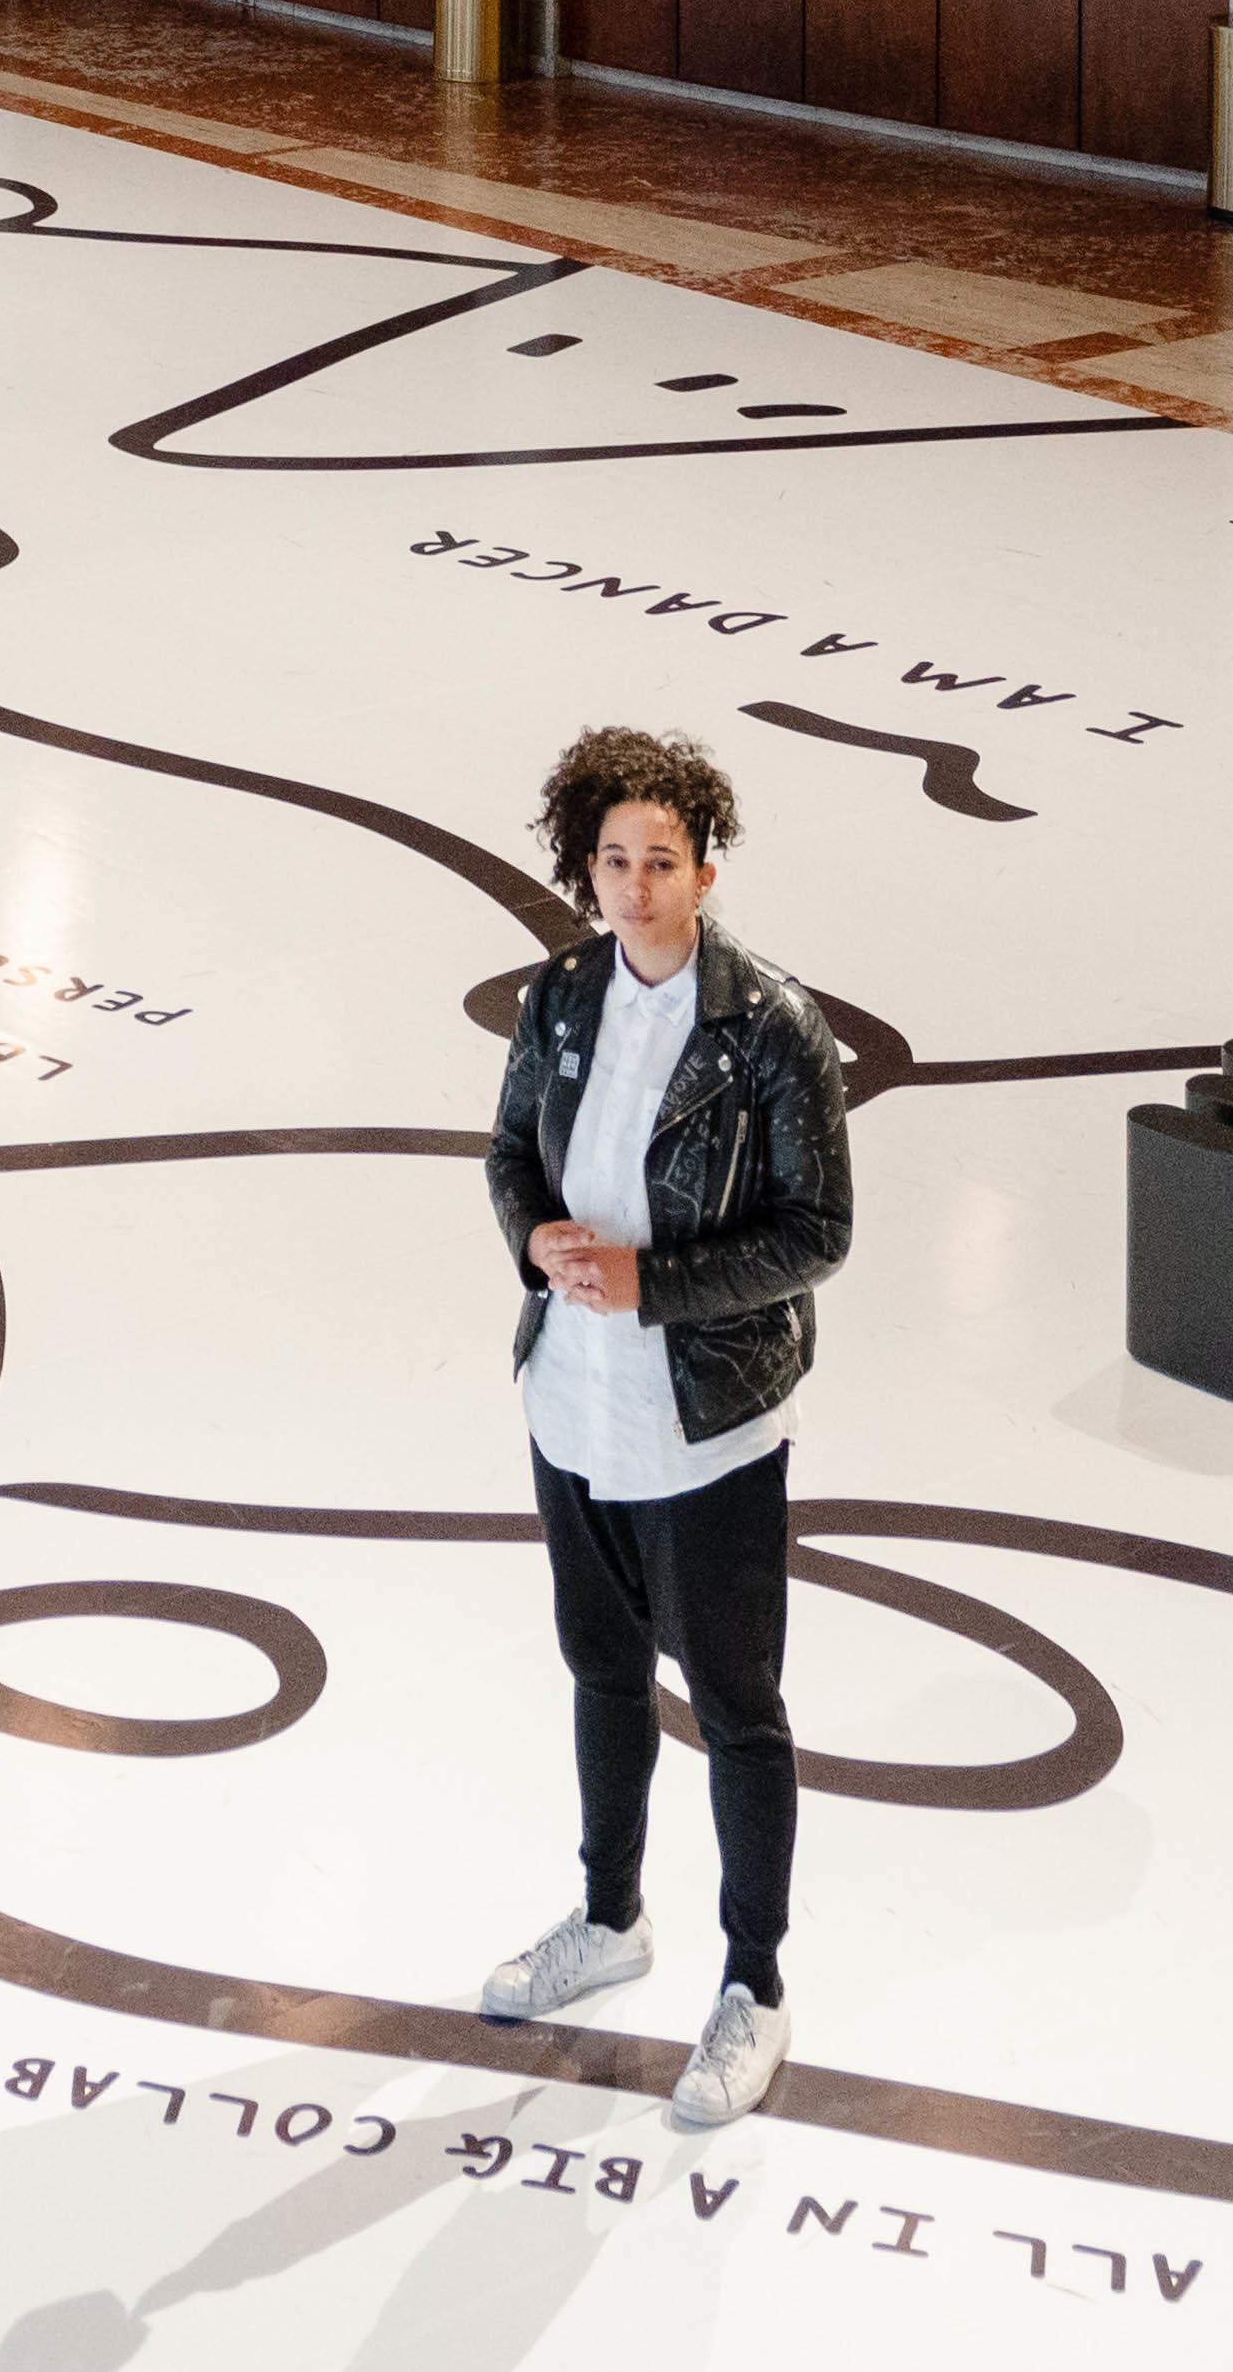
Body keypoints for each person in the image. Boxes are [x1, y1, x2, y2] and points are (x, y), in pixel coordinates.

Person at [474, 725, 849, 2132]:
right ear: (586, 866)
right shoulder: (560, 994)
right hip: (570, 1394)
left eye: (661, 861)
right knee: (602, 1667)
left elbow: (821, 1228)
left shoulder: (769, 1025)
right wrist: (541, 1241)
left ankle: (753, 1985)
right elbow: (512, 1150)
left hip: (711, 1424)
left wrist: (656, 1283)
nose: (636, 887)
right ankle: (610, 1915)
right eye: (614, 860)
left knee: (740, 1711)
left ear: (706, 865)